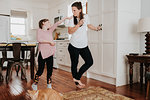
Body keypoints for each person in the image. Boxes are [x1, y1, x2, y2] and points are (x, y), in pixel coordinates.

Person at [68, 2, 102, 88]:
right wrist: (78, 25)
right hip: (73, 45)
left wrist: (96, 29)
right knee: (74, 64)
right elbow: (70, 31)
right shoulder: (71, 19)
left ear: (80, 10)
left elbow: (89, 25)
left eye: (74, 10)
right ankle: (77, 83)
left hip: (83, 45)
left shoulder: (86, 16)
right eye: (72, 10)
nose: (73, 12)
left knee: (89, 62)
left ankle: (77, 77)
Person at [32, 17, 71, 90]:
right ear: (43, 23)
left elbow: (57, 23)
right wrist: (49, 42)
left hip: (50, 53)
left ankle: (49, 84)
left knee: (50, 70)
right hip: (43, 53)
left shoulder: (50, 31)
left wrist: (65, 18)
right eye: (48, 22)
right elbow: (39, 39)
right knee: (40, 70)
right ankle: (35, 83)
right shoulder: (39, 30)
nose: (50, 23)